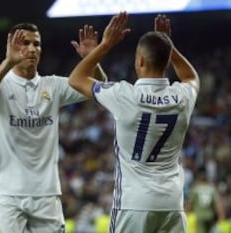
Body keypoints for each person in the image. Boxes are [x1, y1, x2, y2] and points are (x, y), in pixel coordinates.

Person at [69, 12, 200, 233]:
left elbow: (76, 79)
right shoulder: (182, 96)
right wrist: (169, 46)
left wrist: (104, 45)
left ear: (139, 60)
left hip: (133, 204)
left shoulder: (124, 95)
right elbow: (191, 77)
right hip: (172, 204)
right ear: (168, 61)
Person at [0, 22, 106, 232]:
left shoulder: (54, 86)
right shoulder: (0, 86)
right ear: (11, 47)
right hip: (8, 194)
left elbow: (99, 87)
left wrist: (92, 59)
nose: (32, 49)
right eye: (25, 43)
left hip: (47, 193)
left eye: (37, 44)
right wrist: (7, 62)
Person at [189, 167, 225, 233]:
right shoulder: (212, 189)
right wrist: (221, 219)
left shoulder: (195, 189)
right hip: (209, 217)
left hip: (199, 217)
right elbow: (218, 206)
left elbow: (190, 206)